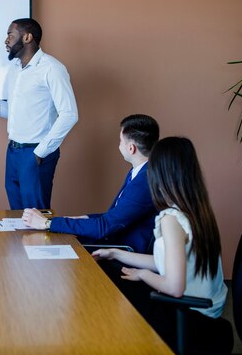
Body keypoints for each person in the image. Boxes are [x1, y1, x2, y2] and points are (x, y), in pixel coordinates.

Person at [92, 137, 233, 353]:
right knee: (113, 270)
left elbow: (175, 288)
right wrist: (115, 253)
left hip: (189, 314)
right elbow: (165, 262)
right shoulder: (197, 210)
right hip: (205, 309)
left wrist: (142, 275)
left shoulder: (171, 219)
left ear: (159, 175)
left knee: (110, 294)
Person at [0, 18, 78, 210]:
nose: (6, 41)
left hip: (36, 152)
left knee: (36, 216)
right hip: (13, 152)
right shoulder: (15, 70)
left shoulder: (52, 68)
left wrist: (40, 153)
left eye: (10, 35)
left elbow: (69, 114)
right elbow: (12, 111)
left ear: (27, 37)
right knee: (17, 214)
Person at [22, 114, 159, 253]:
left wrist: (47, 223)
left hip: (120, 251)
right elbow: (114, 217)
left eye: (120, 141)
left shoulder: (143, 182)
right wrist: (83, 218)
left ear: (131, 148)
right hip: (111, 242)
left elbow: (104, 228)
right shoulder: (141, 172)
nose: (119, 145)